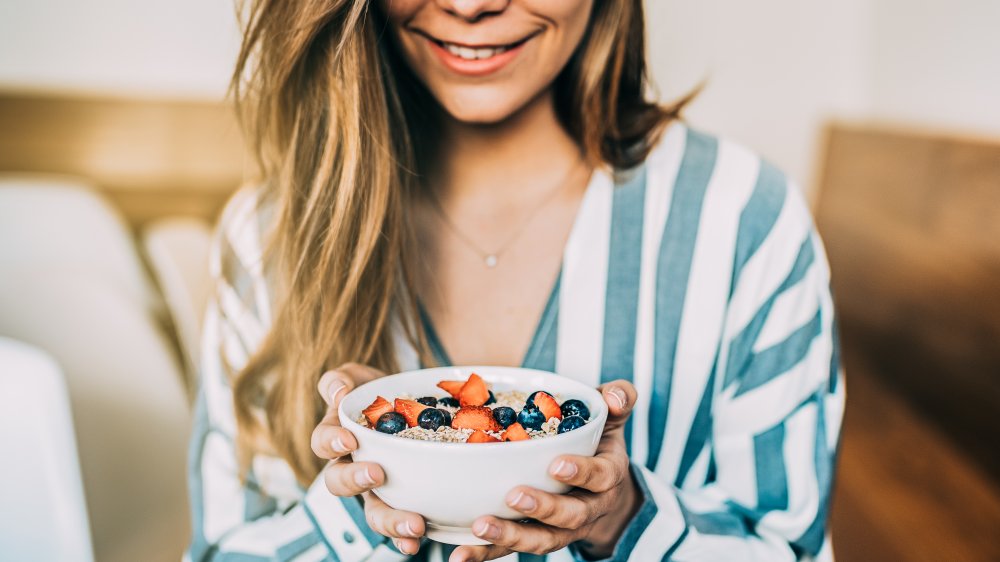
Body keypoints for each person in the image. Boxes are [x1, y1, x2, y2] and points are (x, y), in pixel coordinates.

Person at [186, 0, 845, 561]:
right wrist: (357, 505)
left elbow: (788, 545)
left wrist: (623, 522)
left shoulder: (744, 222)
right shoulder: (269, 236)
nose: (471, 5)